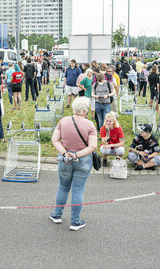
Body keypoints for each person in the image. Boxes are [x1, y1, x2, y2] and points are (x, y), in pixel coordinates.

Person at [48, 97, 97, 231]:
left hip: (65, 159)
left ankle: (57, 215)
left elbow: (55, 140)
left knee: (63, 187)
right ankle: (75, 221)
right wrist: (77, 155)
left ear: (74, 108)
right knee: (78, 190)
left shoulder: (63, 121)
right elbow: (93, 146)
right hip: (82, 159)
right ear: (85, 110)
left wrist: (65, 153)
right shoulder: (89, 125)